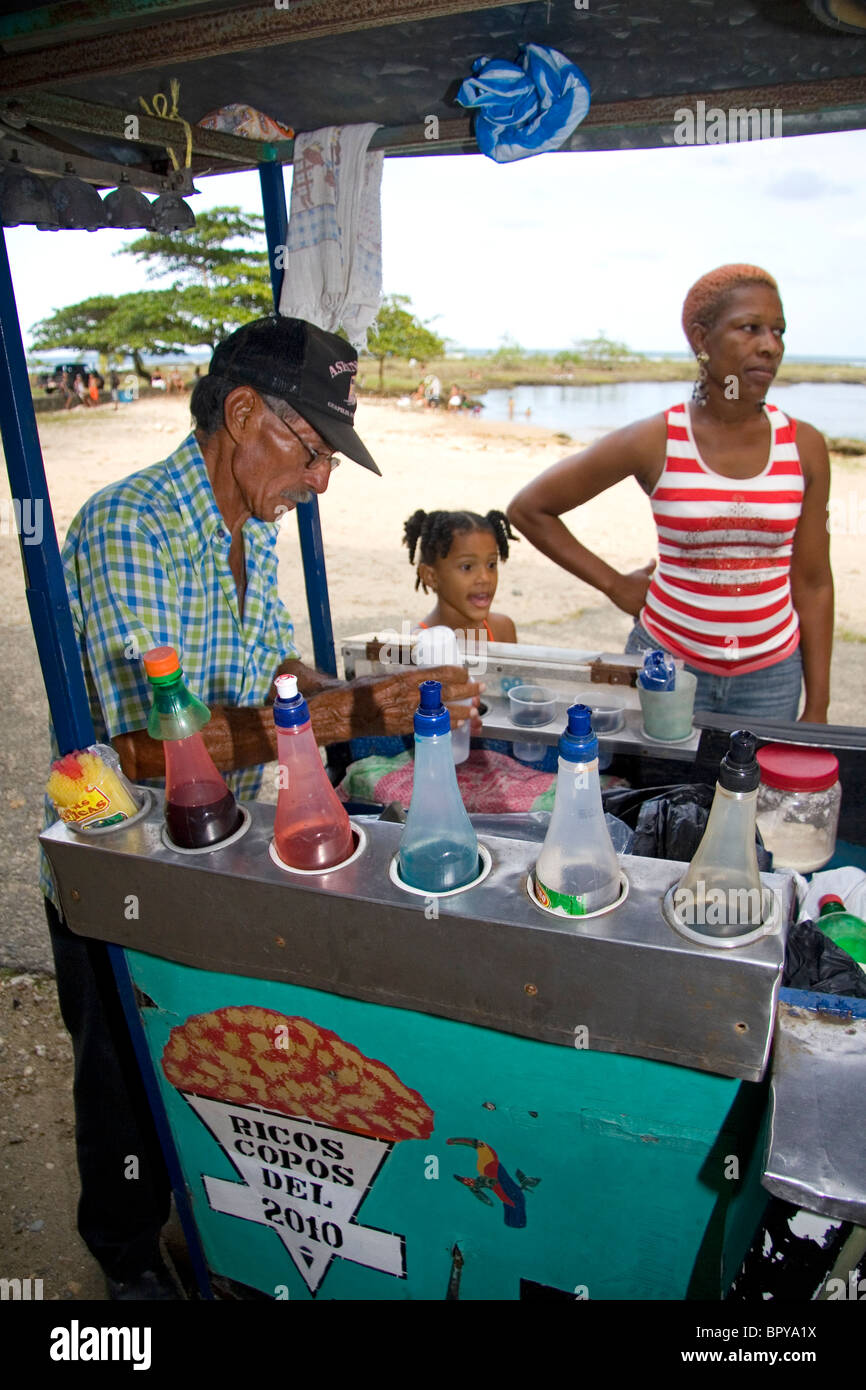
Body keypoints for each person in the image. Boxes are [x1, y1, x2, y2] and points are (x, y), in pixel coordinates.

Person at [40, 316, 483, 1300]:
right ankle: (123, 1261)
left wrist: (376, 705)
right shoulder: (134, 524)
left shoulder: (242, 524)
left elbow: (272, 669)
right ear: (242, 413)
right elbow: (144, 747)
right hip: (125, 860)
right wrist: (343, 709)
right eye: (314, 451)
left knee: (202, 1051)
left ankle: (214, 1230)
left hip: (221, 843)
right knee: (119, 1082)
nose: (321, 481)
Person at [508, 265, 833, 723]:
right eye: (750, 328)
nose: (770, 345)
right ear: (702, 339)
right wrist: (616, 585)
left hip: (773, 676)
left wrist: (818, 705)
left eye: (778, 331)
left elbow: (815, 582)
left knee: (751, 795)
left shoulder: (805, 446)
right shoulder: (656, 440)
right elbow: (530, 509)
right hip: (666, 668)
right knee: (658, 791)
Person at [403, 508, 518, 642]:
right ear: (431, 576)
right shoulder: (417, 644)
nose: (485, 578)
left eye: (491, 565)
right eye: (467, 567)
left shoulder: (502, 629)